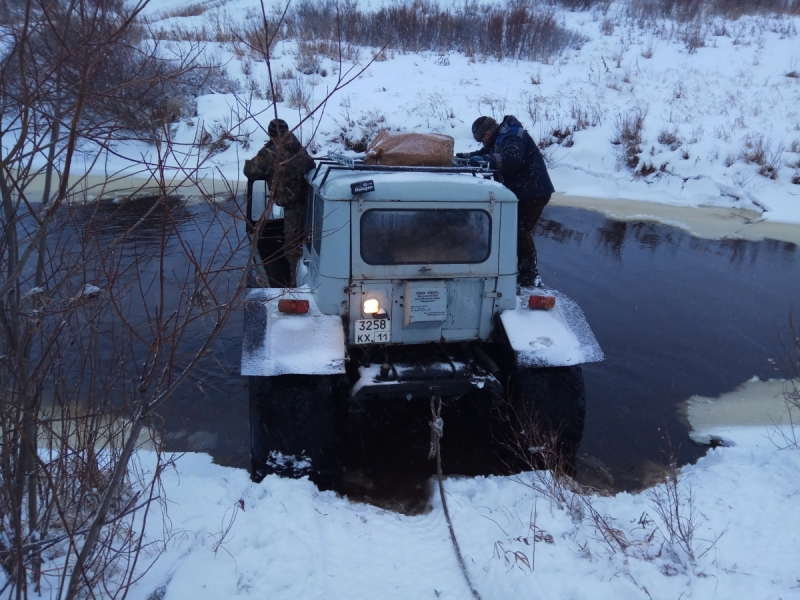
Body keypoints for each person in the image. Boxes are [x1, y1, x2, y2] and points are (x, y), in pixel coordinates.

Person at [457, 115, 554, 288]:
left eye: (482, 140)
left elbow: (511, 159)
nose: (483, 144)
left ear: (487, 133)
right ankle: (510, 265)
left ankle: (529, 275)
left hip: (534, 191)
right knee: (509, 230)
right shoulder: (499, 137)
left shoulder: (513, 135)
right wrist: (464, 157)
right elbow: (484, 154)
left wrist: (486, 161)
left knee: (520, 232)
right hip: (522, 191)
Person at [243, 118, 316, 287]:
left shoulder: (270, 154)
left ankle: (295, 287)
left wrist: (266, 150)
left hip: (293, 208)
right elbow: (309, 164)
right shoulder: (299, 149)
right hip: (309, 205)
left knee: (292, 250)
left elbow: (250, 170)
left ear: (271, 134)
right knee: (303, 246)